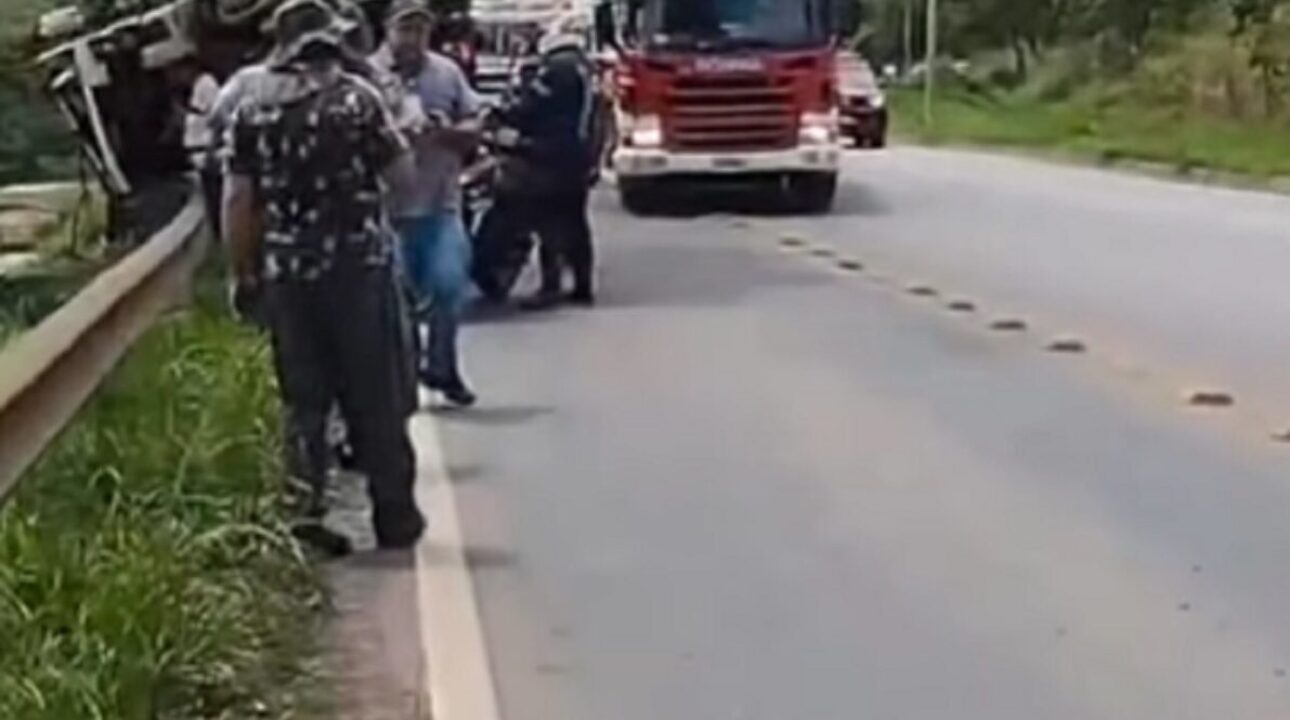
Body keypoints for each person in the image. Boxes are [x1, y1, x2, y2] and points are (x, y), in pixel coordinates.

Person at [222, 0, 425, 553]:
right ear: (332, 41)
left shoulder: (250, 108)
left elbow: (239, 200)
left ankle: (305, 514)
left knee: (304, 399)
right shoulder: (359, 100)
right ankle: (395, 514)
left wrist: (242, 274)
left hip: (288, 274)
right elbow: (404, 182)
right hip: (359, 268)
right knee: (377, 392)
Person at [372, 0, 482, 407]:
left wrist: (447, 131)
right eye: (404, 29)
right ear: (387, 30)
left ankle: (442, 368)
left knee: (449, 286)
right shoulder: (367, 77)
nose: (411, 38)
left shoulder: (447, 73)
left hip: (439, 205)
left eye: (419, 29)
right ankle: (401, 381)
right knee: (394, 305)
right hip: (385, 212)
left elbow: (475, 124)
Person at [501, 12, 599, 309]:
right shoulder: (585, 67)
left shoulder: (557, 68)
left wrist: (506, 114)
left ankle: (551, 285)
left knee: (548, 220)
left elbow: (529, 107)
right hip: (578, 153)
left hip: (551, 153)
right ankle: (583, 284)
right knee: (575, 220)